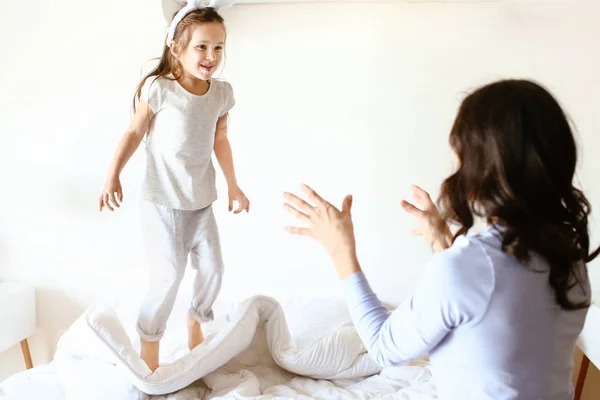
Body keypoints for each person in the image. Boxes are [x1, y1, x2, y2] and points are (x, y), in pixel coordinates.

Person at [283, 79, 598, 399]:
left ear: (480, 166)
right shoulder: (569, 260)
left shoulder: (466, 269)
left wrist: (340, 249)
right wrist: (441, 244)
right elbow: (494, 320)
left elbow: (383, 348)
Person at [98, 0, 248, 372]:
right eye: (201, 46)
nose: (211, 55)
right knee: (169, 276)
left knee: (214, 268)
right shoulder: (160, 90)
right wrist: (112, 174)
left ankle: (197, 318)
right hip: (162, 202)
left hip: (201, 202)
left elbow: (221, 140)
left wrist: (234, 185)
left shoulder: (221, 94)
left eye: (218, 47)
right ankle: (149, 342)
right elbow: (134, 132)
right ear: (176, 48)